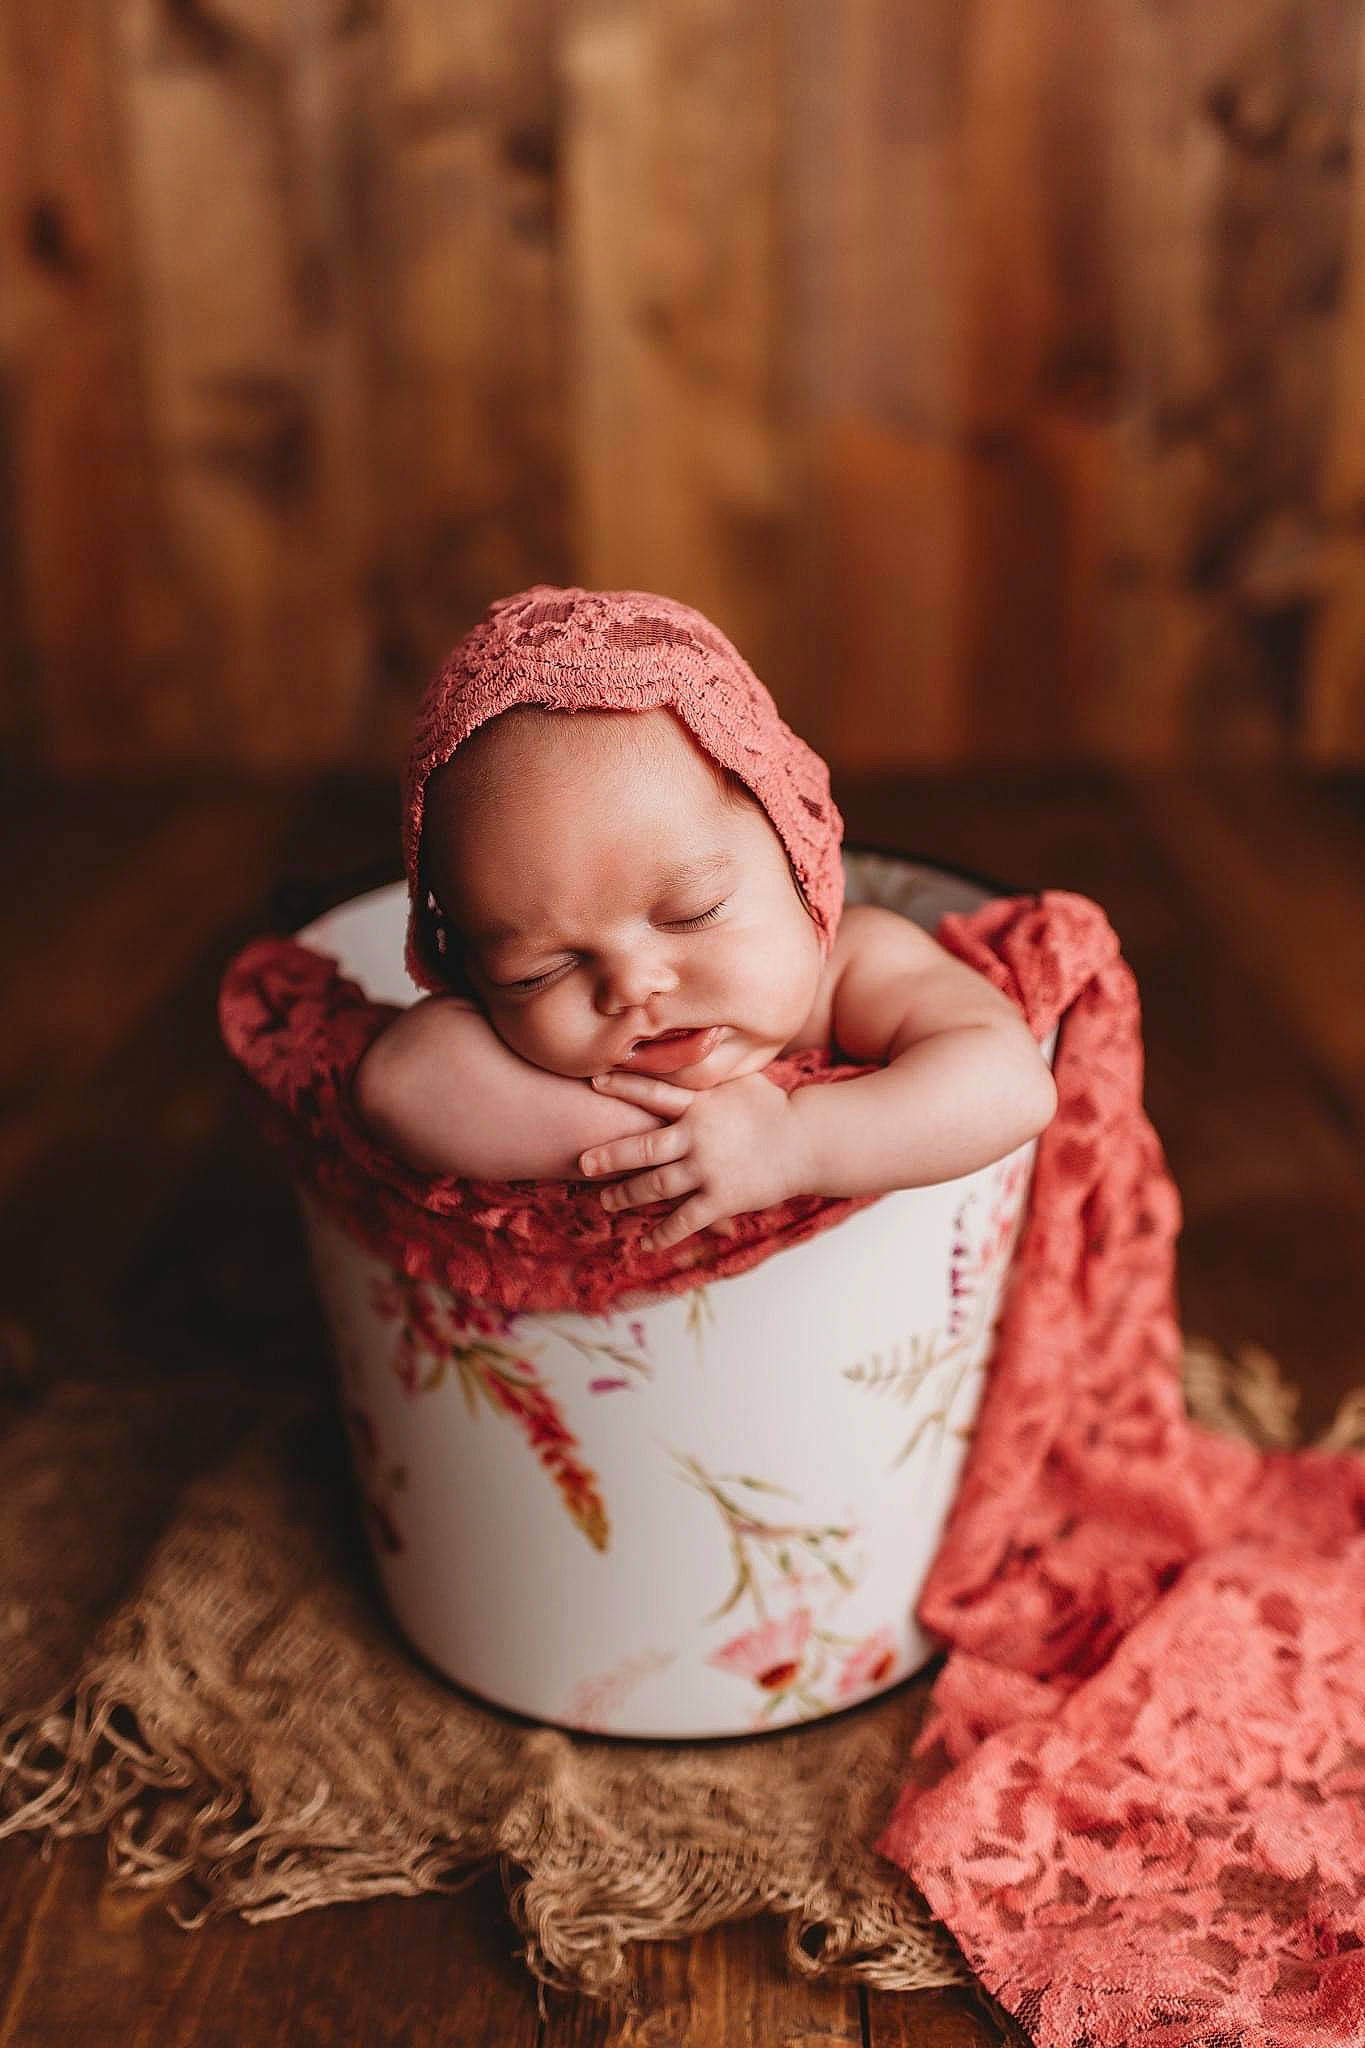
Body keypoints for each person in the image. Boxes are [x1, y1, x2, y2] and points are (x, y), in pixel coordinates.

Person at [353, 588, 1057, 1253]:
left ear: (798, 855)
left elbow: (1009, 1085)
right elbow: (396, 1086)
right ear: (469, 966)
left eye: (693, 913)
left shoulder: (852, 968)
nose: (632, 985)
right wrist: (669, 1139)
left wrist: (794, 1141)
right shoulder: (506, 1043)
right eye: (540, 971)